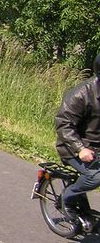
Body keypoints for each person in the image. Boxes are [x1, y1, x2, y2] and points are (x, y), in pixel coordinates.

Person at [55, 53, 100, 221]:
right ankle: (67, 197)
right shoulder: (82, 94)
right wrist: (80, 149)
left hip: (97, 149)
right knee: (96, 176)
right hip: (73, 148)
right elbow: (63, 123)